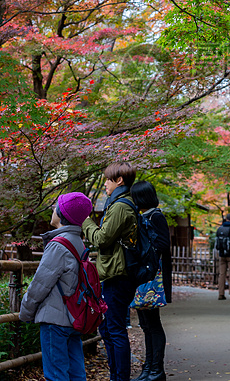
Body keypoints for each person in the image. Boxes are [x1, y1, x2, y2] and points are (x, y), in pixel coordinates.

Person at [19, 192, 93, 381]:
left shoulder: (58, 245)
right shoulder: (79, 242)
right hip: (74, 316)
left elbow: (40, 284)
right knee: (77, 374)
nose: (53, 210)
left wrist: (25, 312)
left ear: (62, 214)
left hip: (55, 320)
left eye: (55, 207)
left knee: (56, 375)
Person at [82, 162, 137, 381]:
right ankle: (116, 375)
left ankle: (120, 378)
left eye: (107, 179)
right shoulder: (121, 203)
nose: (105, 183)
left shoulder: (121, 206)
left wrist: (85, 221)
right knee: (108, 329)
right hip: (115, 273)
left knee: (114, 330)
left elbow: (102, 239)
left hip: (117, 275)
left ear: (119, 180)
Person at [130, 180, 172, 381]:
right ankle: (148, 368)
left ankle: (157, 369)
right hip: (143, 276)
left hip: (152, 277)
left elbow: (163, 244)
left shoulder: (155, 216)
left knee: (153, 324)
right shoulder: (143, 216)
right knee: (146, 325)